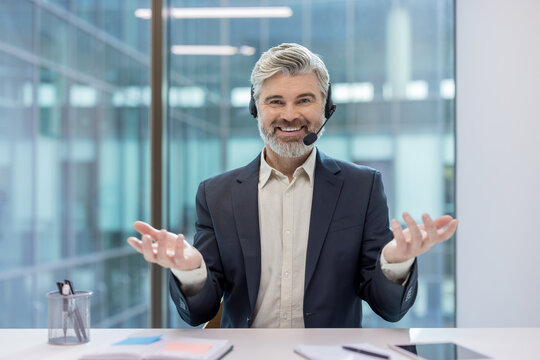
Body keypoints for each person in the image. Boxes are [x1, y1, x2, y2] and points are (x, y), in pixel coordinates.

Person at [127, 43, 458, 328]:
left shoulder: (362, 188)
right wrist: (192, 272)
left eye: (304, 100)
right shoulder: (216, 194)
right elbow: (200, 311)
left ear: (326, 109)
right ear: (255, 109)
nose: (289, 115)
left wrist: (395, 263)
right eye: (275, 101)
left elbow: (389, 309)